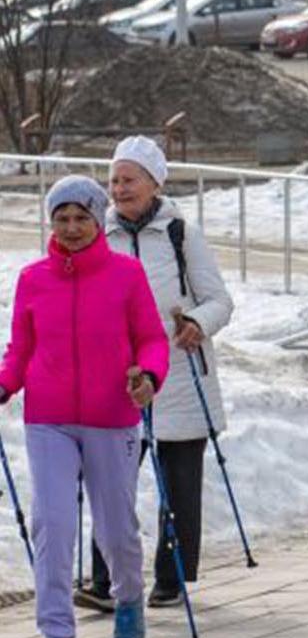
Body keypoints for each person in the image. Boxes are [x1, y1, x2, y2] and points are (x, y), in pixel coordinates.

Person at [0, 175, 169, 638]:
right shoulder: (33, 279)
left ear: (99, 221)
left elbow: (151, 341)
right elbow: (21, 348)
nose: (71, 228)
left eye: (81, 218)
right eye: (62, 218)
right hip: (49, 418)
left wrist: (149, 378)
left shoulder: (126, 275)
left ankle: (129, 597)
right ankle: (56, 637)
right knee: (52, 523)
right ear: (50, 222)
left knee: (115, 527)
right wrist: (5, 383)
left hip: (111, 414)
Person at [74, 135, 234, 612]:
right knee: (111, 483)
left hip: (181, 377)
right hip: (119, 380)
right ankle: (106, 582)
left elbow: (219, 301)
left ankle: (173, 576)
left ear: (154, 182)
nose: (119, 189)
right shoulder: (97, 234)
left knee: (179, 486)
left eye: (129, 180)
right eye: (114, 180)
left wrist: (198, 325)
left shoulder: (181, 232)